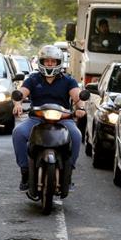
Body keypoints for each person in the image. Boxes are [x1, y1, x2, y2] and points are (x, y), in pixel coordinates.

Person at [12, 45, 85, 191]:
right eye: (47, 61)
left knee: (76, 135)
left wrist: (80, 108)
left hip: (63, 119)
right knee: (18, 133)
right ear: (41, 62)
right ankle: (25, 172)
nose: (50, 64)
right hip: (37, 119)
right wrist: (17, 103)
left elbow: (77, 97)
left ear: (59, 62)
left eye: (53, 61)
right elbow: (21, 93)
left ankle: (68, 173)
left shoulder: (68, 80)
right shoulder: (33, 79)